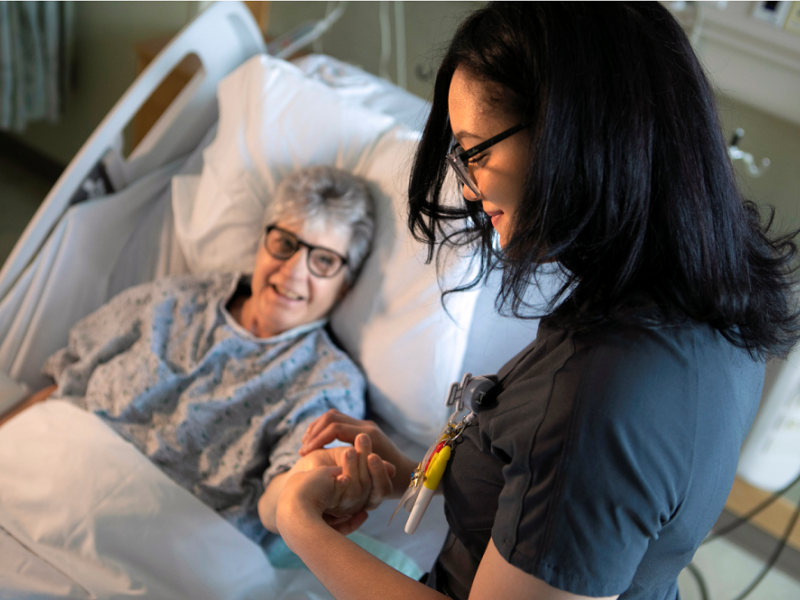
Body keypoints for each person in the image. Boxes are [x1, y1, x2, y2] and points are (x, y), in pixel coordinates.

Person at [266, 3, 800, 600]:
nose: (466, 187)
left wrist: (301, 525)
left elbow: (573, 459)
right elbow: (561, 506)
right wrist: (424, 475)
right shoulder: (710, 301)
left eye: (475, 152)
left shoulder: (603, 392)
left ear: (570, 134)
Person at [1, 165, 392, 547]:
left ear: (345, 286)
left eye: (323, 261)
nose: (292, 272)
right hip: (44, 468)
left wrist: (306, 485)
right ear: (262, 243)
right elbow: (62, 385)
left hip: (145, 538)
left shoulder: (327, 382)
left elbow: (282, 500)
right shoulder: (174, 298)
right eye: (285, 244)